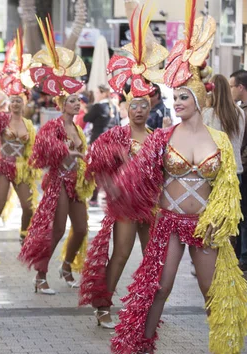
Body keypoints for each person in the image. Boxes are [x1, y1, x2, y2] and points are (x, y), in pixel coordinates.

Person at [109, 6, 247, 354]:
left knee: (210, 291)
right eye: (176, 97)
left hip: (202, 224)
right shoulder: (162, 137)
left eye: (184, 97)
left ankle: (222, 346)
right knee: (159, 287)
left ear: (200, 99)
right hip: (169, 222)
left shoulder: (219, 139)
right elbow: (138, 174)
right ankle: (144, 348)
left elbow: (228, 185)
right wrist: (117, 186)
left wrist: (219, 219)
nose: (178, 102)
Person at [79, 5, 168, 328]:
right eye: (135, 105)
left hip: (153, 205)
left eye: (145, 105)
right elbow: (95, 165)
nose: (140, 110)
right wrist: (110, 184)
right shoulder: (116, 136)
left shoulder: (159, 137)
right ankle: (103, 305)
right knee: (121, 254)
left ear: (151, 106)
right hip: (127, 206)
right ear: (127, 107)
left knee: (153, 259)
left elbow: (167, 171)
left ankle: (148, 308)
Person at [18, 18, 93, 294]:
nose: (77, 103)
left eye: (78, 100)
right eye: (72, 101)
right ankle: (40, 275)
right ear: (62, 103)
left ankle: (66, 266)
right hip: (59, 181)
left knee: (82, 228)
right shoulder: (53, 125)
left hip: (76, 182)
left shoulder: (77, 127)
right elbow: (41, 151)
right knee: (57, 229)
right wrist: (66, 150)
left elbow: (83, 154)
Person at [0, 29, 40, 244]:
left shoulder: (29, 124)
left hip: (22, 167)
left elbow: (33, 149)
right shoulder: (0, 119)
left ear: (25, 102)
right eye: (13, 100)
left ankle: (24, 235)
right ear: (9, 102)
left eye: (19, 100)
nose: (16, 103)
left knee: (28, 206)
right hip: (3, 166)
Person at [229, 69, 247, 271]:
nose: (230, 90)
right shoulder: (243, 106)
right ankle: (242, 254)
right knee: (243, 214)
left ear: (241, 87)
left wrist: (242, 165)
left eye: (232, 86)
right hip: (243, 167)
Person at [202, 74, 244, 176]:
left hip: (215, 171)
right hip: (235, 169)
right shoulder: (240, 112)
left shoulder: (207, 114)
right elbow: (240, 139)